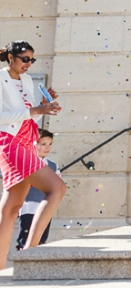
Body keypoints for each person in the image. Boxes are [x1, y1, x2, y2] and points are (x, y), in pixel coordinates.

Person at [0, 41, 65, 268]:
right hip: (10, 143)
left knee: (11, 208)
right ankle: (30, 253)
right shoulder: (0, 78)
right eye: (24, 58)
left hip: (28, 141)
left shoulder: (27, 80)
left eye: (32, 60)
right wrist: (34, 110)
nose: (28, 64)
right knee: (57, 187)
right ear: (10, 57)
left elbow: (26, 118)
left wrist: (43, 106)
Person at [16, 128, 60, 250]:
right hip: (28, 207)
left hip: (46, 208)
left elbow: (57, 186)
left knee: (41, 239)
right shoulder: (25, 161)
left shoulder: (52, 165)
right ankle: (22, 263)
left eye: (50, 144)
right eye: (43, 144)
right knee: (26, 239)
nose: (47, 147)